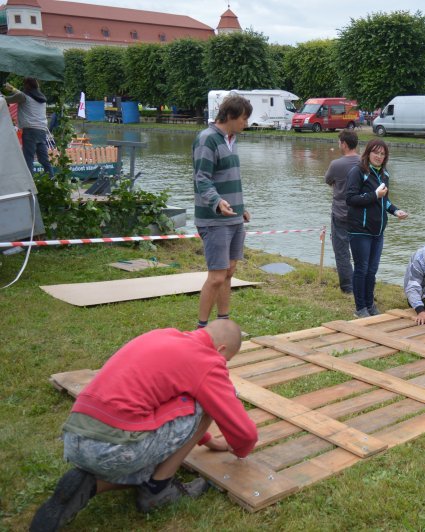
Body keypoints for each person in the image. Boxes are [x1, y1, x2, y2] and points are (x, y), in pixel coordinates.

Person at [29, 320, 258, 530]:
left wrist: (208, 440)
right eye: (226, 361)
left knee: (179, 400)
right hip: (115, 448)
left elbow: (167, 405)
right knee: (206, 401)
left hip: (76, 435)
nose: (223, 365)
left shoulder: (162, 335)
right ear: (221, 351)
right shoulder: (207, 361)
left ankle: (89, 485)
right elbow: (245, 433)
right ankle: (158, 490)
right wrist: (238, 449)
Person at [193, 94, 252, 329]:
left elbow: (230, 178)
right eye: (244, 119)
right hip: (214, 219)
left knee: (229, 272)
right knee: (216, 276)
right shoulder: (206, 140)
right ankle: (201, 329)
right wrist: (217, 202)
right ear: (230, 116)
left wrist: (241, 207)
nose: (246, 124)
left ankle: (223, 325)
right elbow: (202, 179)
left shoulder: (232, 139)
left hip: (235, 217)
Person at [345, 139, 408, 318]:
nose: (379, 156)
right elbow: (350, 199)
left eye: (383, 154)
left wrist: (396, 211)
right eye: (376, 152)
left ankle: (370, 304)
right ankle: (360, 308)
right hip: (360, 230)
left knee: (372, 270)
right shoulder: (358, 172)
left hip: (378, 231)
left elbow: (384, 200)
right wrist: (374, 195)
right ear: (368, 152)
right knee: (361, 269)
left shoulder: (384, 174)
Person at [324, 130, 360, 294]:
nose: (338, 145)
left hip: (340, 213)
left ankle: (348, 287)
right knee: (360, 251)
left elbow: (328, 180)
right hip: (360, 213)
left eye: (339, 142)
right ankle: (362, 283)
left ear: (344, 144)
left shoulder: (336, 165)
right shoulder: (363, 163)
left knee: (342, 251)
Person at [1, 78, 54, 177]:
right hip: (42, 131)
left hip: (30, 131)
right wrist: (12, 89)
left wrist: (3, 94)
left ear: (27, 86)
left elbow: (5, 99)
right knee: (44, 160)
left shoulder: (23, 96)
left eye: (24, 84)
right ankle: (52, 180)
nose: (23, 86)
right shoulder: (41, 98)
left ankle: (30, 185)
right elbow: (23, 95)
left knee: (28, 159)